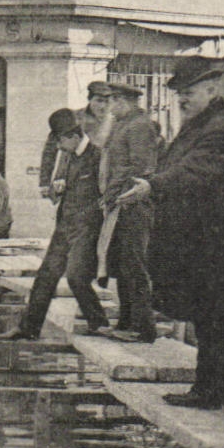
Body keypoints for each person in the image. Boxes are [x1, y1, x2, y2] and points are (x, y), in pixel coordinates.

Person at [117, 57, 224, 408]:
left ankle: (213, 391)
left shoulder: (220, 128)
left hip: (216, 238)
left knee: (214, 315)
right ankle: (217, 388)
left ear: (212, 89)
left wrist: (151, 186)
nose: (182, 101)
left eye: (188, 94)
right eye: (179, 96)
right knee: (211, 316)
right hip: (205, 237)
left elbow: (192, 172)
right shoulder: (203, 123)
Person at [2, 109, 110, 341]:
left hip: (87, 229)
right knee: (46, 276)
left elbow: (106, 195)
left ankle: (99, 323)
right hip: (65, 226)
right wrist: (55, 189)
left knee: (76, 277)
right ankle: (28, 328)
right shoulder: (69, 157)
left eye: (60, 141)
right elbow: (55, 193)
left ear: (74, 136)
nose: (58, 148)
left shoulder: (99, 157)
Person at [97, 80, 160, 341]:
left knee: (134, 265)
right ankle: (125, 324)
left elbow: (141, 168)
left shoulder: (140, 126)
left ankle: (143, 328)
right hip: (120, 204)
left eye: (112, 102)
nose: (109, 109)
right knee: (123, 265)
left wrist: (118, 195)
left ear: (123, 101)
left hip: (133, 204)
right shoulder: (124, 125)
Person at [39, 80, 116, 202]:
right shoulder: (73, 118)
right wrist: (44, 182)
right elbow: (50, 149)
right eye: (99, 101)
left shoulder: (116, 123)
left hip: (102, 178)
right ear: (89, 99)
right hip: (70, 177)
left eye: (108, 102)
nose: (103, 106)